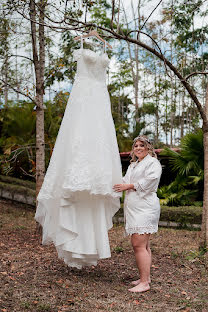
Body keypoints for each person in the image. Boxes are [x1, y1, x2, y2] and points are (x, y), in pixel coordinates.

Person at [113, 136, 162, 293]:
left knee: (138, 244)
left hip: (145, 208)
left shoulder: (153, 163)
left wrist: (129, 185)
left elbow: (150, 181)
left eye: (142, 145)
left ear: (148, 147)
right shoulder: (133, 165)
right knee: (144, 245)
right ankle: (145, 278)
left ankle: (145, 283)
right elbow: (124, 181)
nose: (138, 148)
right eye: (136, 146)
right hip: (134, 208)